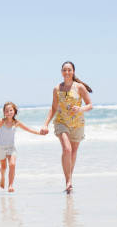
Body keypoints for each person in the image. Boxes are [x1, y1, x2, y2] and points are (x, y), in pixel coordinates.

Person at [39, 61, 93, 193]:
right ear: (61, 72)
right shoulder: (57, 88)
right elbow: (53, 108)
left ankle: (70, 180)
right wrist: (45, 124)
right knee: (67, 149)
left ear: (73, 71)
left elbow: (90, 105)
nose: (67, 72)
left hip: (77, 123)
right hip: (61, 121)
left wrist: (80, 108)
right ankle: (68, 181)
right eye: (64, 70)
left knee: (73, 152)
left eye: (69, 70)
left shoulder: (79, 87)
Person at [0, 102, 43, 192]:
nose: (9, 112)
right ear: (4, 112)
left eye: (11, 110)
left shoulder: (17, 123)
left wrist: (39, 133)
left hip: (11, 148)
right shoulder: (0, 122)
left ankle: (10, 185)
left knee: (12, 165)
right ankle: (2, 177)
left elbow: (29, 129)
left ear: (14, 111)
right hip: (1, 148)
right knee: (3, 167)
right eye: (6, 110)